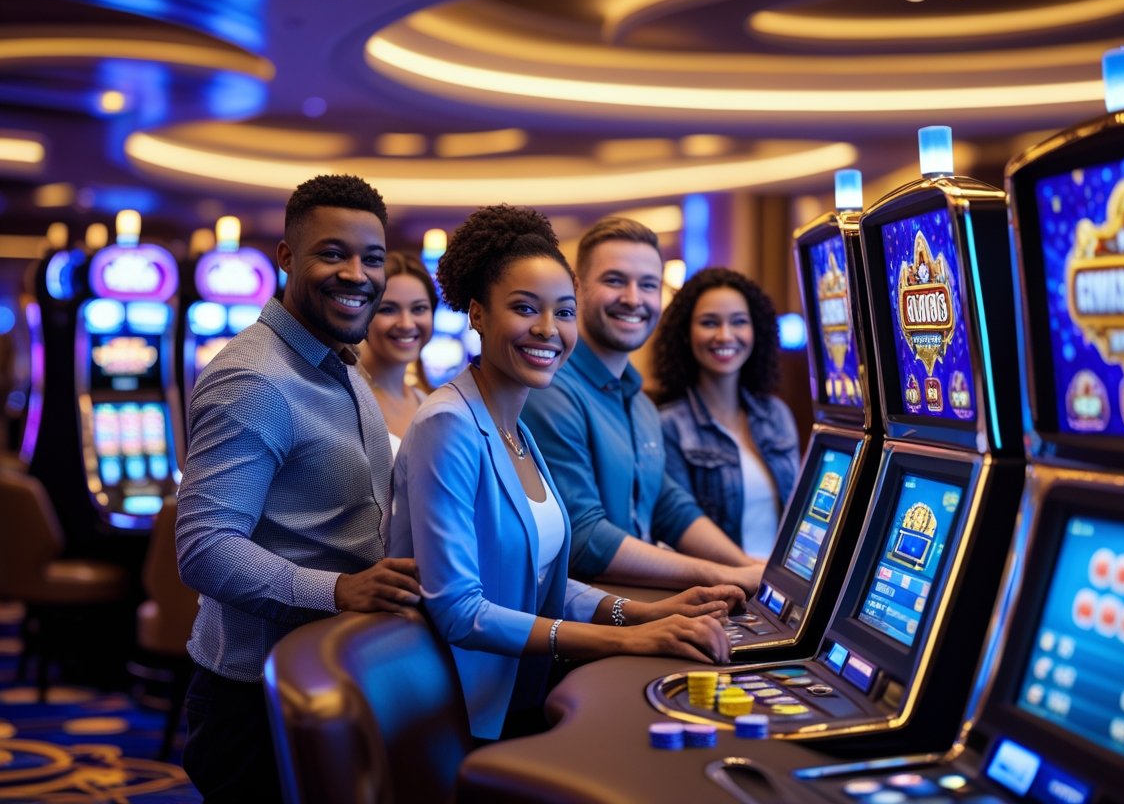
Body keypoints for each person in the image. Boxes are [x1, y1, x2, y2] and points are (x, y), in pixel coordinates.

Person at [390, 204, 743, 741]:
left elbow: (540, 582)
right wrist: (625, 639)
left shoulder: (516, 426)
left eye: (563, 311)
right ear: (478, 314)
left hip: (524, 694)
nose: (548, 330)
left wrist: (643, 612)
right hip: (465, 717)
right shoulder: (448, 424)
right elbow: (460, 610)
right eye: (525, 308)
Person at [176, 174, 421, 802]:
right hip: (256, 696)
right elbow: (204, 548)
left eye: (370, 258)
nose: (356, 275)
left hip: (334, 670)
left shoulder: (341, 363)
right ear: (287, 257)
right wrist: (338, 590)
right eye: (332, 253)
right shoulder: (254, 379)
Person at [521, 217, 763, 592]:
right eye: (615, 280)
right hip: (582, 626)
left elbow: (668, 505)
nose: (634, 298)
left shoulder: (639, 399)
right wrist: (722, 575)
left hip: (642, 606)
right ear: (577, 289)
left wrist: (747, 565)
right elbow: (583, 540)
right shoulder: (550, 386)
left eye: (648, 285)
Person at [653, 267, 800, 559]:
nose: (725, 335)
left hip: (781, 586)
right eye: (709, 322)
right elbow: (677, 527)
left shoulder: (776, 414)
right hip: (719, 589)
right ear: (685, 333)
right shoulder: (667, 425)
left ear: (756, 330)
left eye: (739, 322)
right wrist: (748, 571)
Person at [359, 251, 436, 455]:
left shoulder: (427, 402)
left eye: (419, 309)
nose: (407, 324)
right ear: (363, 317)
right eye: (388, 309)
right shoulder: (348, 399)